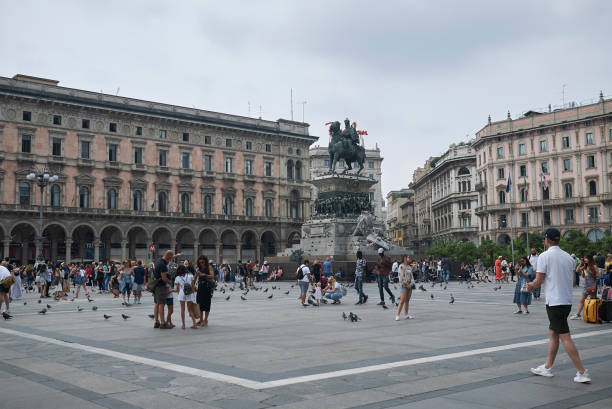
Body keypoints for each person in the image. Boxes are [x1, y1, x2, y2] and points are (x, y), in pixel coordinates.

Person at [527, 228, 591, 383]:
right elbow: (573, 281)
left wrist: (531, 286)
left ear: (547, 240)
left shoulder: (544, 256)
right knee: (553, 333)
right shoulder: (568, 257)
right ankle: (547, 367)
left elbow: (539, 280)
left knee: (565, 336)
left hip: (554, 301)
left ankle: (582, 372)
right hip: (566, 301)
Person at [569, 255, 600, 320]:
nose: (585, 260)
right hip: (585, 285)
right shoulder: (585, 266)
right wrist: (581, 263)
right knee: (582, 300)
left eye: (586, 258)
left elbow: (598, 276)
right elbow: (577, 270)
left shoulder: (594, 266)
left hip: (592, 284)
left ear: (590, 259)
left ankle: (594, 314)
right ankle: (578, 314)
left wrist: (590, 272)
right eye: (585, 258)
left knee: (593, 300)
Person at [153, 250, 177, 329]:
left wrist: (176, 255)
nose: (170, 260)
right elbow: (164, 278)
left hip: (156, 285)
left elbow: (169, 257)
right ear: (168, 256)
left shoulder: (159, 261)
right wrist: (170, 282)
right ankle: (163, 323)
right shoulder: (163, 265)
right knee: (161, 304)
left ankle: (156, 322)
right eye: (170, 258)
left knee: (157, 303)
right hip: (161, 286)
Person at [174, 264, 197, 329]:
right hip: (189, 293)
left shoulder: (177, 277)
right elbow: (193, 286)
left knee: (182, 309)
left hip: (182, 292)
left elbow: (177, 288)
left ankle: (183, 325)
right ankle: (194, 323)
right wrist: (193, 294)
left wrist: (179, 294)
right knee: (190, 310)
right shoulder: (190, 276)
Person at [195, 255, 214, 327]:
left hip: (207, 287)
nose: (201, 263)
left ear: (205, 261)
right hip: (200, 287)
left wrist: (204, 275)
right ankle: (201, 319)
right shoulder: (198, 268)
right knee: (199, 303)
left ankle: (205, 320)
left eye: (203, 262)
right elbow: (195, 277)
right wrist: (193, 285)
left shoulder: (209, 267)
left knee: (206, 304)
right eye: (200, 262)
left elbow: (212, 276)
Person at [395, 255, 414, 321]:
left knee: (407, 301)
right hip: (404, 285)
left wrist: (411, 284)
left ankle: (406, 314)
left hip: (410, 285)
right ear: (405, 258)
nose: (409, 258)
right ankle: (397, 315)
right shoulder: (401, 266)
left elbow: (412, 277)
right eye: (408, 257)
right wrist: (406, 284)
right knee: (402, 301)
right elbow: (400, 278)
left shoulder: (409, 267)